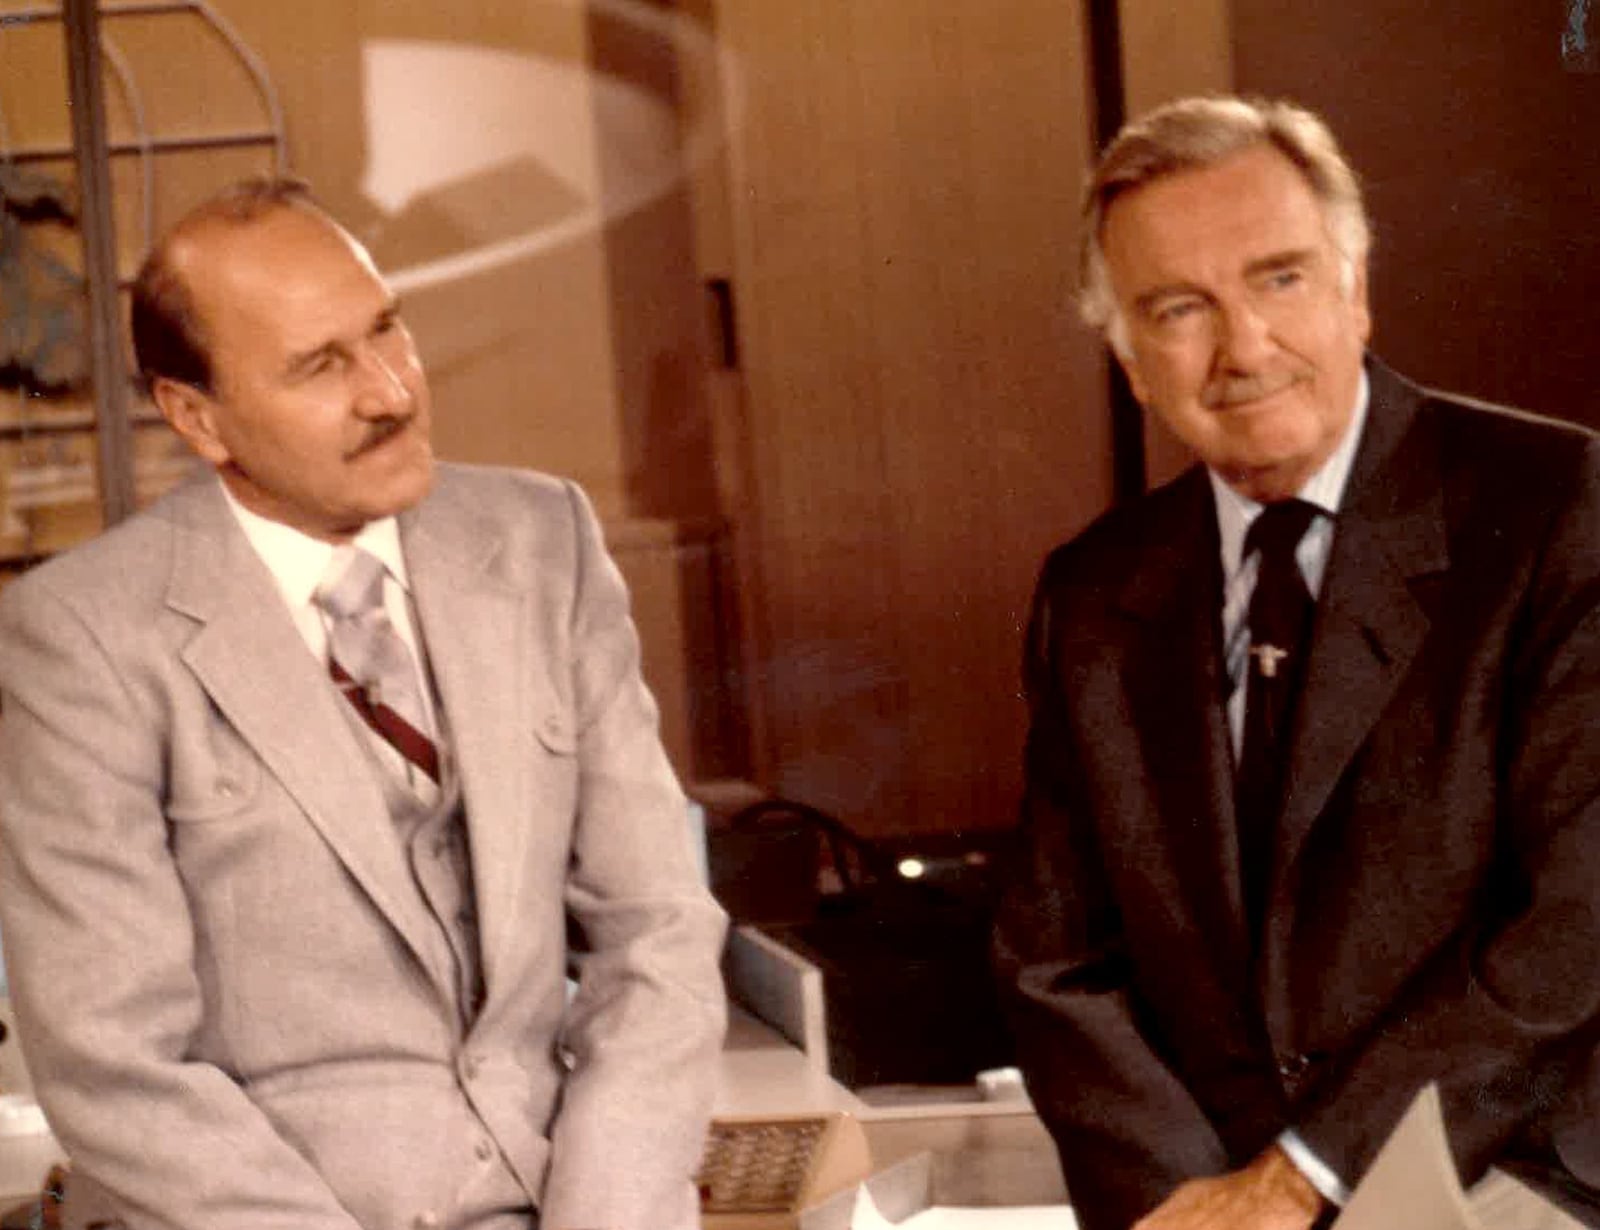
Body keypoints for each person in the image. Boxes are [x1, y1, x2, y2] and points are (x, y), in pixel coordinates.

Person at [0, 179, 727, 1230]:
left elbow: (656, 931)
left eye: (387, 330)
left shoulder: (542, 542)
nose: (390, 392)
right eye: (320, 367)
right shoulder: (83, 634)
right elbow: (113, 1062)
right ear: (198, 418)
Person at [993, 96, 1599, 1230]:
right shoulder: (1090, 593)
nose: (1243, 349)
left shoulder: (1562, 510)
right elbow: (1056, 966)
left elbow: (1576, 929)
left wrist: (1302, 1179)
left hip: (1506, 1177)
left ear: (1354, 290)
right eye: (1178, 309)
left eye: (1279, 280)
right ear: (1128, 358)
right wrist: (1189, 1208)